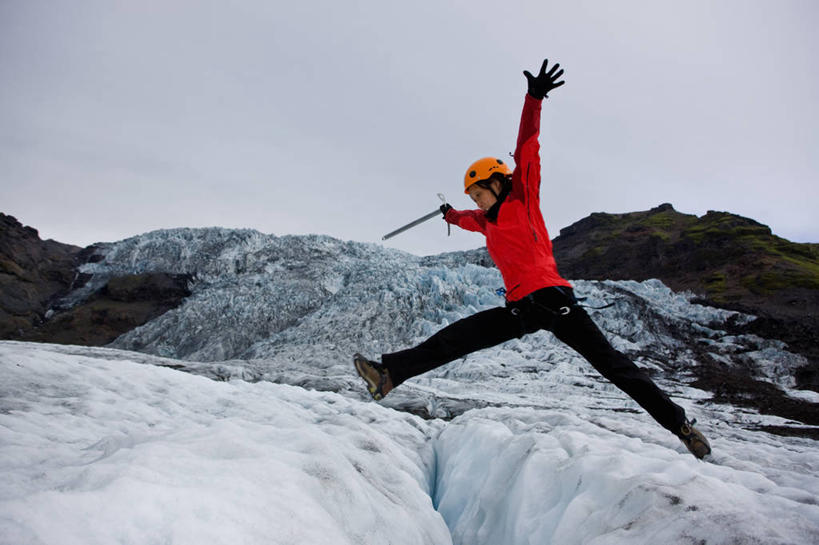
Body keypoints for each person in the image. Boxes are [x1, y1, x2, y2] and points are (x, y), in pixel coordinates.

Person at [354, 59, 711, 459]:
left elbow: (527, 147)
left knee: (614, 366)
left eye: (479, 193)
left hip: (555, 302)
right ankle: (388, 375)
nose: (476, 201)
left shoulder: (522, 197)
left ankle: (680, 426)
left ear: (497, 181)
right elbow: (465, 218)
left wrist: (534, 99)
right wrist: (451, 214)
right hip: (520, 309)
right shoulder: (487, 221)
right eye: (472, 198)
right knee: (454, 339)